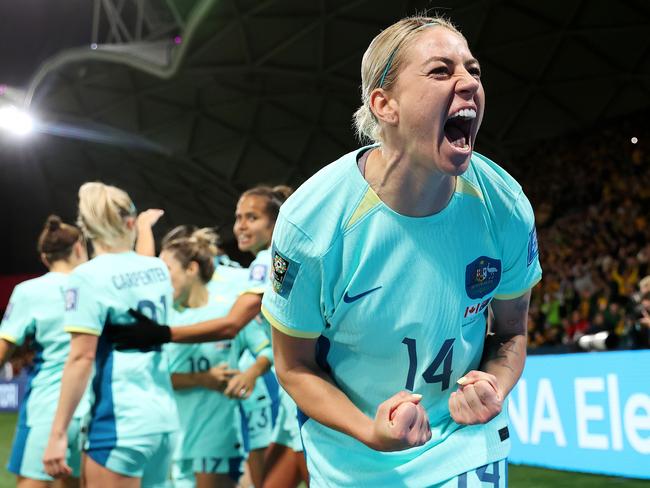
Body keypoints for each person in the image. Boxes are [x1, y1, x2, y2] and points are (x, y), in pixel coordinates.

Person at [260, 16, 542, 487]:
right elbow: (294, 366)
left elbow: (511, 333)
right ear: (383, 104)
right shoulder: (311, 225)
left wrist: (495, 384)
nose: (469, 83)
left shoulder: (505, 206)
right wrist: (369, 430)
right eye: (440, 71)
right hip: (352, 458)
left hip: (463, 443)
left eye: (473, 70)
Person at [42, 182, 179, 488]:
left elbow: (81, 357)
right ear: (129, 221)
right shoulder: (157, 269)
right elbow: (138, 262)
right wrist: (145, 227)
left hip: (119, 421)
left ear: (86, 228)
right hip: (163, 420)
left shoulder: (86, 277)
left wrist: (58, 433)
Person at [160, 228, 271, 488]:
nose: (161, 280)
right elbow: (156, 376)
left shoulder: (226, 313)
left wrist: (250, 374)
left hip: (217, 437)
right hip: (174, 438)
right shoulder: (165, 319)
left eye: (166, 270)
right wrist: (202, 379)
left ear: (191, 269)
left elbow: (266, 350)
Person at [0, 215, 89, 488]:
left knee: (32, 482)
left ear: (44, 257)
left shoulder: (29, 291)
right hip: (93, 406)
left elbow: (4, 347)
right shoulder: (94, 287)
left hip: (48, 406)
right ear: (78, 248)